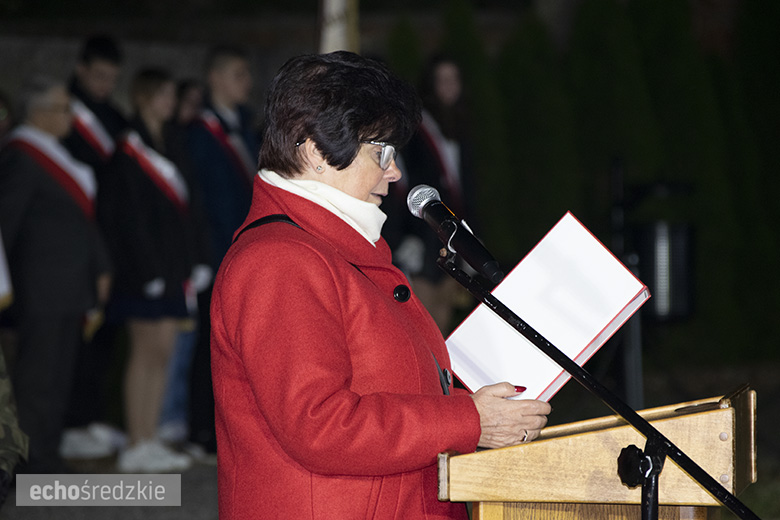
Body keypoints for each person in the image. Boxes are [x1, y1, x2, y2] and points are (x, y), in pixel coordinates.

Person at [210, 51, 551, 520]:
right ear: (314, 151)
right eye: (380, 152)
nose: (394, 173)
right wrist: (469, 420)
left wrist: (476, 406)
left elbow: (386, 384)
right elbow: (321, 425)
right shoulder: (279, 260)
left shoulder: (321, 245)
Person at [98, 68, 210, 473]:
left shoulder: (172, 141)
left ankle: (150, 437)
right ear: (143, 97)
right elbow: (126, 218)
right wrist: (146, 270)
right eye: (163, 94)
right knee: (144, 353)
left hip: (174, 266)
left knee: (162, 353)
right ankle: (135, 440)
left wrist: (198, 259)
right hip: (142, 271)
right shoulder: (128, 149)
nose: (170, 102)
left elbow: (191, 206)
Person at [0, 76, 112, 474]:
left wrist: (100, 266)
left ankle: (46, 455)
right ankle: (29, 465)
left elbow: (83, 220)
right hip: (39, 288)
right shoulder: (21, 155)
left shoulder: (57, 154)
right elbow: (6, 227)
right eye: (66, 109)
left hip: (70, 286)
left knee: (59, 378)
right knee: (37, 381)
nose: (73, 117)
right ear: (42, 113)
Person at [60, 34, 129, 461]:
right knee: (76, 340)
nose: (104, 85)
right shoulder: (63, 113)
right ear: (82, 68)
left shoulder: (113, 117)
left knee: (104, 337)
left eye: (112, 78)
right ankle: (71, 422)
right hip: (78, 241)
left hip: (111, 240)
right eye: (99, 75)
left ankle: (91, 417)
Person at [187, 45, 257, 453]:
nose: (245, 82)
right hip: (215, 251)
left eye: (247, 73)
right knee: (207, 345)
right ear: (214, 78)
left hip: (243, 250)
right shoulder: (198, 133)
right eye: (237, 73)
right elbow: (199, 200)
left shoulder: (246, 127)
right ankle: (201, 429)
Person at [385, 55, 479, 335]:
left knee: (445, 320)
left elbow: (466, 188)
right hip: (423, 239)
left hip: (451, 236)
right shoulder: (417, 128)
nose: (450, 86)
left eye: (455, 79)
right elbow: (408, 183)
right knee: (425, 325)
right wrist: (409, 236)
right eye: (442, 80)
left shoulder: (461, 125)